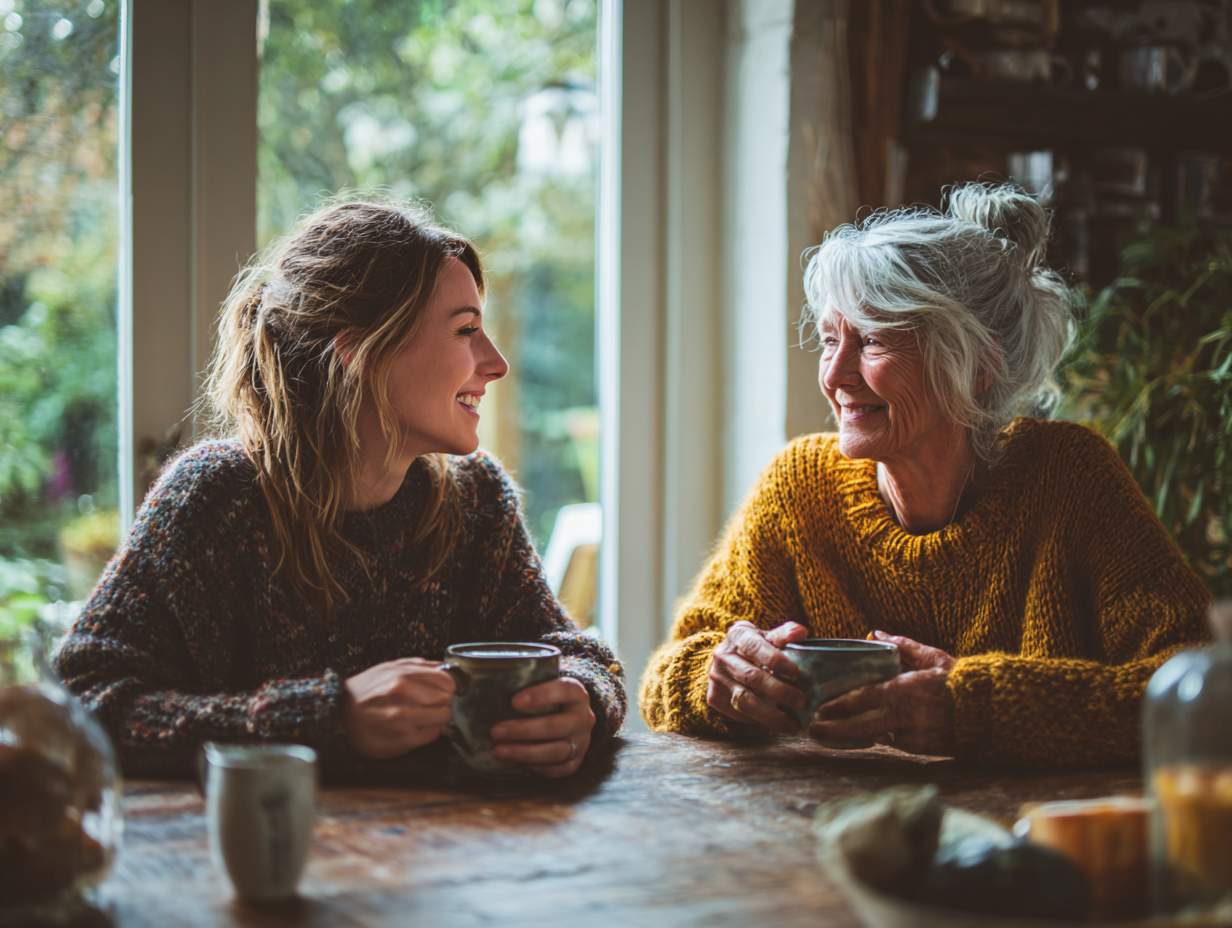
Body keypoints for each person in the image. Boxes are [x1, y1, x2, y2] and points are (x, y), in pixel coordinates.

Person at [639, 184, 1210, 767]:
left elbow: (1204, 696)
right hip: (833, 838)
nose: (835, 374)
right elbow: (668, 674)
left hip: (1042, 844)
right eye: (831, 339)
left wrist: (974, 706)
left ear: (978, 366)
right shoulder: (798, 488)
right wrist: (717, 679)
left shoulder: (1070, 477)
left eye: (874, 340)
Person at [56, 200, 625, 777]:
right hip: (260, 857)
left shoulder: (477, 501)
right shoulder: (212, 501)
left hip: (453, 857)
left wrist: (583, 701)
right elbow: (82, 701)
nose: (496, 363)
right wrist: (330, 718)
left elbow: (573, 653)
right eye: (465, 331)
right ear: (360, 351)